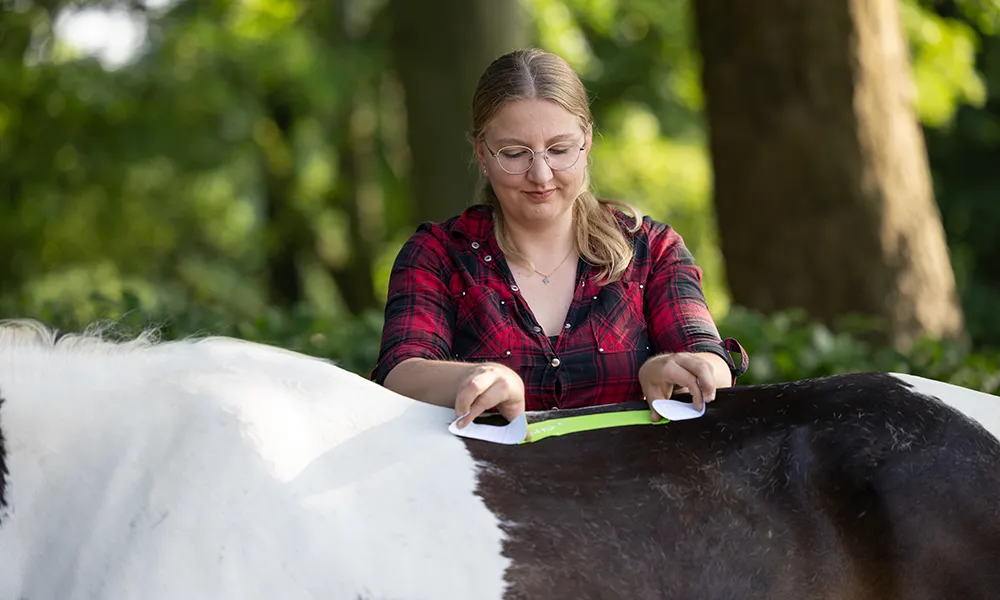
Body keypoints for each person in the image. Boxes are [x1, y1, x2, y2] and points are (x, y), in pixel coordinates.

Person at [371, 48, 748, 429]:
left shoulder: (652, 249)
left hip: (637, 468)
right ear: (482, 154)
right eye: (514, 154)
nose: (541, 174)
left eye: (559, 150)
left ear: (586, 143)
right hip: (484, 469)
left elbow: (713, 365)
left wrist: (672, 368)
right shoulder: (437, 254)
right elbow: (400, 374)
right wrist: (475, 378)